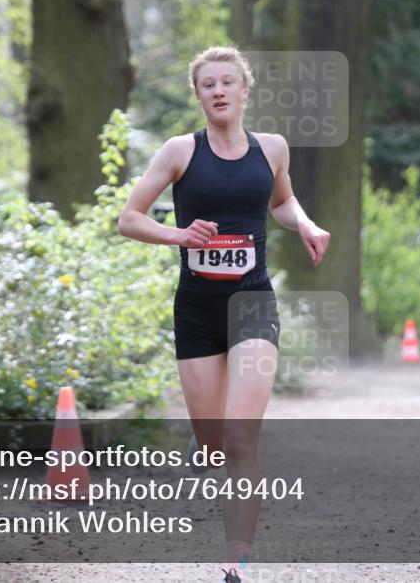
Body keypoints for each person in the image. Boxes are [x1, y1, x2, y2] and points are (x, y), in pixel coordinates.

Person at [117, 46, 330, 581]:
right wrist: (178, 235)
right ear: (198, 95)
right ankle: (204, 441)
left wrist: (302, 223)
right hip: (196, 310)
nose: (218, 91)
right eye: (208, 84)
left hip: (253, 303)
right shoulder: (180, 152)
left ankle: (236, 560)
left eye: (227, 82)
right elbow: (128, 218)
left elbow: (282, 201)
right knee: (214, 446)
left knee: (240, 438)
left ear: (244, 90)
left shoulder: (273, 150)